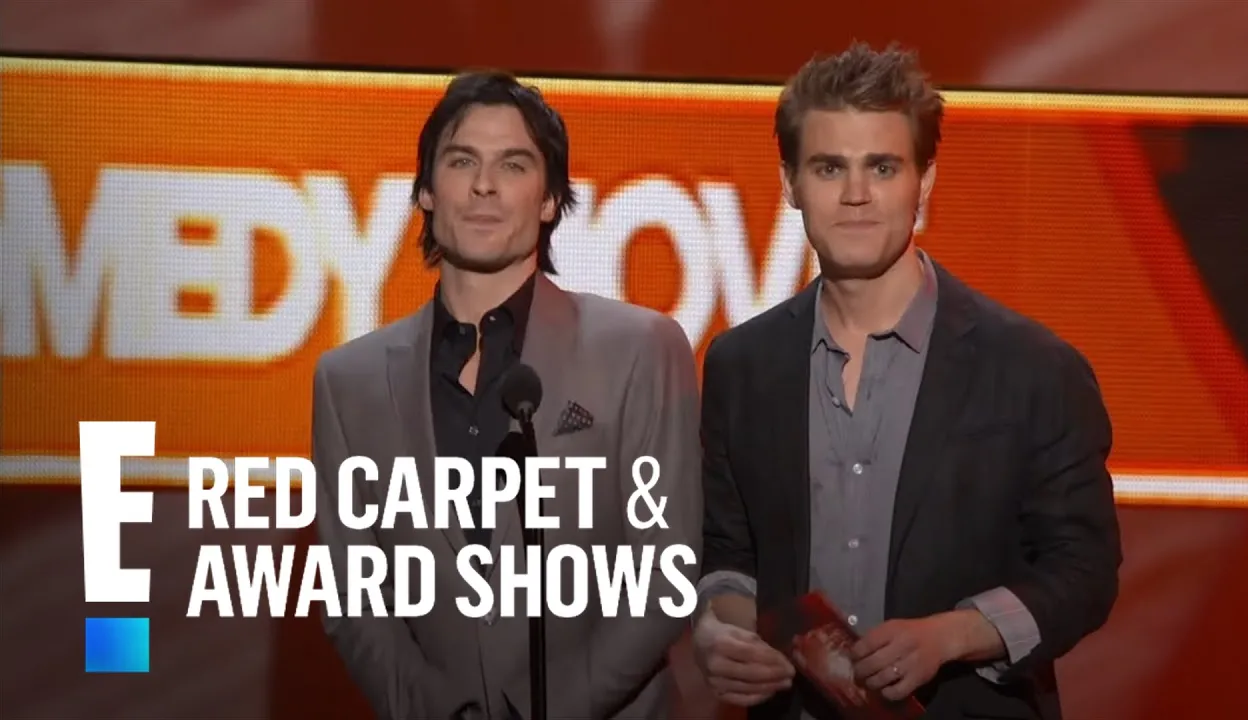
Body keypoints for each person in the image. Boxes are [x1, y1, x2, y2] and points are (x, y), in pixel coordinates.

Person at [692, 42, 1122, 720]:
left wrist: (953, 636)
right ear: (789, 183)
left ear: (923, 183)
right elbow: (726, 553)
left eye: (882, 167)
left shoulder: (1035, 369)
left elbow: (1084, 571)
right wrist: (722, 626)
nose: (856, 195)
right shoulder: (740, 364)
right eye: (829, 167)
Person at [311, 71, 703, 720]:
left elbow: (663, 574)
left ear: (550, 199)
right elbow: (355, 602)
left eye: (513, 165)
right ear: (427, 192)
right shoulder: (347, 382)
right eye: (462, 161)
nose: (484, 185)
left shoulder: (641, 348)